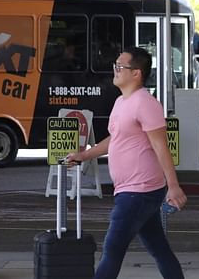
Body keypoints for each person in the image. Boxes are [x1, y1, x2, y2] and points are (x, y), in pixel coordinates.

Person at [67, 47, 187, 279]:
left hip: (139, 192)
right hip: (134, 191)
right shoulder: (122, 102)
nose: (115, 70)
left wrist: (173, 185)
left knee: (112, 251)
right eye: (115, 66)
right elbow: (117, 138)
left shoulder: (146, 103)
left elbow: (161, 146)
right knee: (159, 249)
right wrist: (84, 155)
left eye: (120, 67)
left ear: (136, 73)